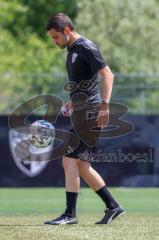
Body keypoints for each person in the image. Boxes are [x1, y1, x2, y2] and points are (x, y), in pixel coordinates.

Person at [44, 13, 125, 225]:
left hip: (91, 111)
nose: (54, 42)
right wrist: (72, 102)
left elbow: (108, 75)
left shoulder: (86, 47)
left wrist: (105, 106)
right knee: (81, 166)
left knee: (69, 159)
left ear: (67, 31)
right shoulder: (71, 49)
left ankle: (70, 215)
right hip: (81, 110)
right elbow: (84, 81)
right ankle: (113, 206)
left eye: (55, 37)